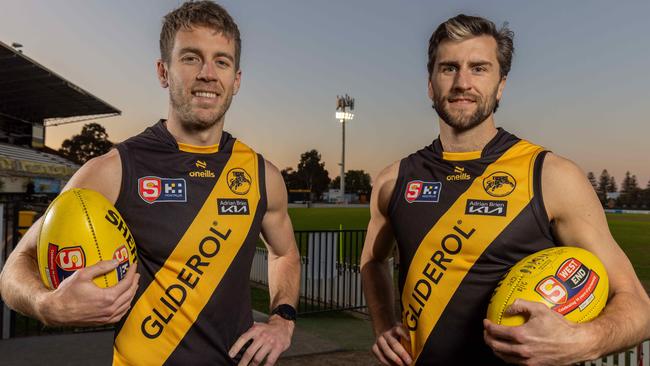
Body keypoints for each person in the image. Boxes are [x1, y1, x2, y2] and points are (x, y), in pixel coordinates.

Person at [0, 2, 300, 365]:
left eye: (221, 61)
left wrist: (283, 320)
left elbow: (285, 254)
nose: (207, 74)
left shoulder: (261, 174)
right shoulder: (115, 169)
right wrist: (47, 305)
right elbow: (17, 265)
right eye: (191, 58)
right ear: (163, 71)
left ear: (236, 79)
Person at [360, 14, 650, 366]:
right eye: (449, 68)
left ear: (501, 85)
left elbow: (638, 305)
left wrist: (584, 340)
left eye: (479, 68)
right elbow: (372, 262)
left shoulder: (550, 176)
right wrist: (383, 324)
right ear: (430, 84)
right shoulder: (394, 180)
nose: (462, 82)